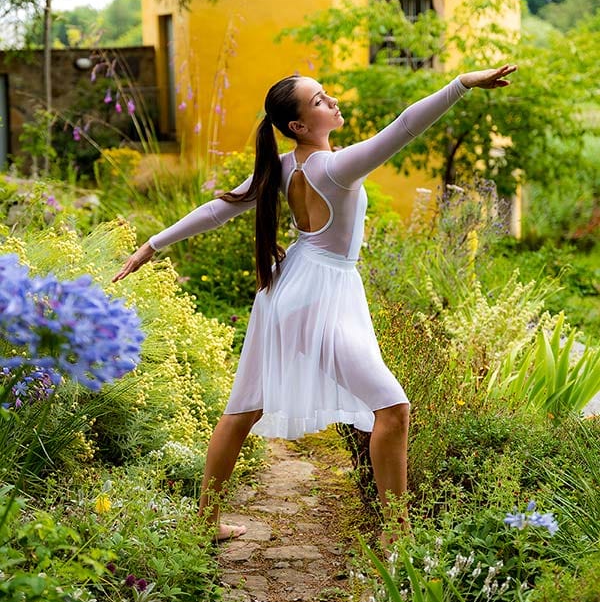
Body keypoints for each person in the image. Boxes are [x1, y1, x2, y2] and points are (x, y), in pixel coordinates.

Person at [113, 64, 516, 541]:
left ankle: (206, 521)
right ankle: (397, 539)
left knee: (245, 408)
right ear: (299, 126)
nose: (333, 101)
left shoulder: (285, 167)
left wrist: (153, 244)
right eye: (320, 100)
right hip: (318, 293)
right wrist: (461, 84)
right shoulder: (336, 168)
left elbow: (218, 209)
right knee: (392, 409)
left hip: (288, 288)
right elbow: (406, 125)